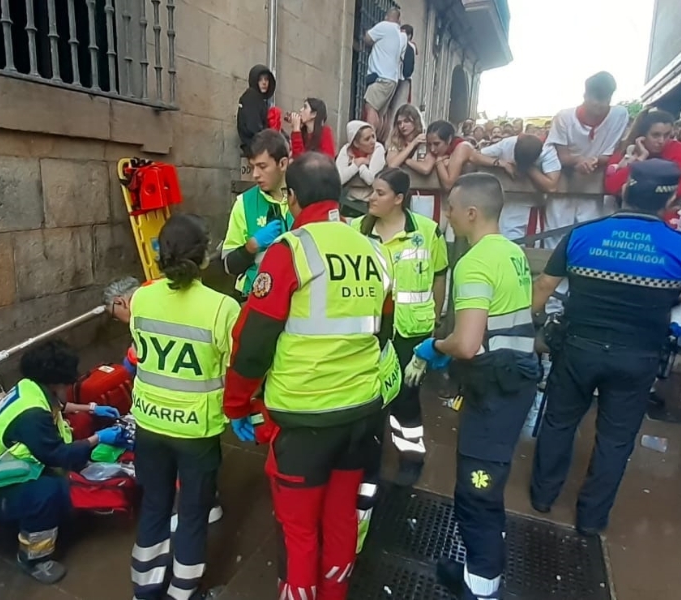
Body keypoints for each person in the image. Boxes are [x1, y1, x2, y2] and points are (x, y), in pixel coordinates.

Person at [223, 152, 395, 600]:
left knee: (298, 533)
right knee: (340, 523)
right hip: (360, 415)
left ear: (293, 198)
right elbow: (383, 330)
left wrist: (237, 403)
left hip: (303, 423)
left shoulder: (291, 251)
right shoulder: (373, 250)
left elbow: (252, 342)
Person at [529, 160, 681, 537]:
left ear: (625, 190)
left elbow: (542, 290)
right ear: (672, 199)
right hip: (638, 357)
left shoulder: (584, 234)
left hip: (578, 348)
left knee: (559, 421)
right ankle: (591, 518)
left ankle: (542, 496)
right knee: (616, 439)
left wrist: (530, 328)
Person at [404, 173, 538, 600]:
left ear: (472, 213)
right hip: (514, 380)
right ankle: (481, 574)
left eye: (453, 210)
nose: (448, 218)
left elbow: (466, 342)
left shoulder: (474, 262)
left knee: (478, 488)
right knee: (487, 482)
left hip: (495, 391)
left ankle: (479, 588)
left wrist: (432, 346)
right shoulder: (512, 252)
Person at [128, 213, 241, 600]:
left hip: (148, 423)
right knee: (193, 515)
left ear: (160, 253)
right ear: (205, 255)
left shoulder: (141, 297)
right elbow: (236, 366)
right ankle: (182, 593)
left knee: (155, 506)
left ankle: (145, 590)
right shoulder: (222, 308)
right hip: (197, 431)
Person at [0, 340, 127, 584]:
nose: (70, 385)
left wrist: (92, 408)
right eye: (68, 382)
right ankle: (34, 559)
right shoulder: (32, 414)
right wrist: (99, 437)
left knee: (58, 486)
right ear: (57, 382)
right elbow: (58, 455)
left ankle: (33, 515)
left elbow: (57, 405)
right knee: (49, 492)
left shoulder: (29, 388)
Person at [104, 276, 226, 531]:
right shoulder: (167, 292)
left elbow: (145, 355)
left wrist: (133, 360)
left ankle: (183, 511)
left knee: (174, 461)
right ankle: (208, 502)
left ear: (120, 302)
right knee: (199, 460)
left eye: (116, 315)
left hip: (169, 406)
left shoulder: (145, 303)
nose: (120, 321)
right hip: (202, 402)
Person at [351, 168, 448, 488]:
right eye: (371, 191)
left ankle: (410, 458)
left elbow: (439, 275)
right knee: (368, 397)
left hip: (411, 330)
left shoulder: (427, 231)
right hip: (368, 328)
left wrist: (435, 323)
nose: (371, 198)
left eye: (379, 193)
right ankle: (370, 463)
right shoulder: (356, 230)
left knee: (406, 398)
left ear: (399, 199)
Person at [545, 72, 628, 239]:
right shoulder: (565, 118)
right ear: (585, 95)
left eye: (606, 99)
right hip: (564, 185)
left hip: (597, 187)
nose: (600, 105)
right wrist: (579, 161)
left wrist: (593, 161)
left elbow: (611, 154)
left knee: (592, 237)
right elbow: (562, 156)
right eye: (596, 99)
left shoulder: (619, 115)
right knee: (555, 238)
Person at [222, 130, 293, 299]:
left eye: (262, 167)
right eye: (252, 166)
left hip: (297, 298)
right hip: (254, 298)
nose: (255, 175)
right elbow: (228, 266)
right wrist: (251, 246)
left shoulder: (303, 198)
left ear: (282, 164)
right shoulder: (244, 204)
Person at [470, 134, 562, 240]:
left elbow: (551, 187)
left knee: (529, 244)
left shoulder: (547, 152)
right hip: (507, 203)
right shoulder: (509, 143)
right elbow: (474, 156)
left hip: (532, 208)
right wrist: (501, 163)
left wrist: (529, 169)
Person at [605, 109, 681, 206]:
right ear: (642, 135)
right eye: (655, 135)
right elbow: (611, 186)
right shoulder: (626, 150)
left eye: (667, 135)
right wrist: (640, 159)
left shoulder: (674, 147)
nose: (661, 141)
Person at [363, 8, 406, 141]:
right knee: (381, 114)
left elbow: (367, 38)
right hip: (392, 79)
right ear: (399, 20)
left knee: (370, 108)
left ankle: (370, 141)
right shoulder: (402, 36)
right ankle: (379, 142)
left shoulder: (384, 26)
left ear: (387, 16)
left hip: (381, 77)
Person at [416, 120, 474, 191]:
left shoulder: (461, 148)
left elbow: (448, 185)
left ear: (449, 139)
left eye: (436, 144)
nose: (432, 149)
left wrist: (439, 162)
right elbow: (426, 168)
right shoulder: (439, 152)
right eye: (429, 144)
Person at [336, 120, 387, 201]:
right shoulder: (346, 150)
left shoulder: (378, 148)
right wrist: (356, 164)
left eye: (373, 136)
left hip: (370, 201)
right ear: (356, 143)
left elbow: (371, 180)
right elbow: (339, 179)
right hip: (348, 199)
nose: (373, 142)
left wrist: (361, 165)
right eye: (367, 139)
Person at [236, 64, 277, 154]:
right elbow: (253, 126)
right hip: (255, 147)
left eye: (266, 79)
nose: (264, 83)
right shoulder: (251, 96)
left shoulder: (258, 99)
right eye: (260, 79)